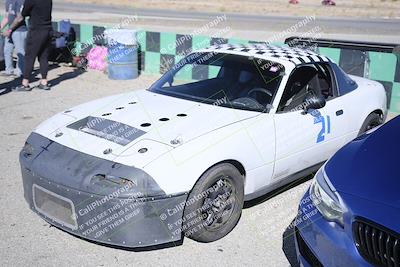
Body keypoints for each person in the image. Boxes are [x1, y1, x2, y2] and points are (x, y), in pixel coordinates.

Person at [5, 0, 53, 91]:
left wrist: (10, 29)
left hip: (36, 31)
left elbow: (21, 17)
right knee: (43, 57)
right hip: (47, 30)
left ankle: (25, 83)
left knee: (29, 57)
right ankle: (44, 82)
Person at [0, 0, 27, 77]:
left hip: (19, 31)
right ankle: (9, 70)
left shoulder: (21, 1)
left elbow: (20, 18)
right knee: (7, 50)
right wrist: (1, 26)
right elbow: (7, 16)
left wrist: (9, 30)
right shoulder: (8, 1)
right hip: (10, 30)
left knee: (20, 52)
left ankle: (20, 72)